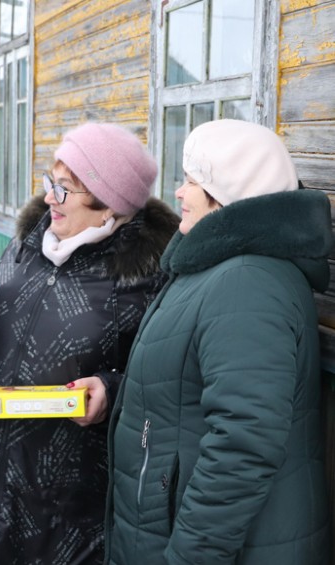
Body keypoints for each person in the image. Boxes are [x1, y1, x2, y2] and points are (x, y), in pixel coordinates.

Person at [105, 119, 332, 565]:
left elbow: (242, 444)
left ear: (228, 194)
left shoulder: (249, 283)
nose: (179, 192)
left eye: (192, 180)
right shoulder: (216, 268)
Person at [0, 122, 180, 565]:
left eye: (66, 189)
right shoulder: (26, 245)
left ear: (109, 205)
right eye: (50, 183)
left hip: (71, 514)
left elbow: (165, 383)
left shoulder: (145, 277)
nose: (48, 199)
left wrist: (111, 391)